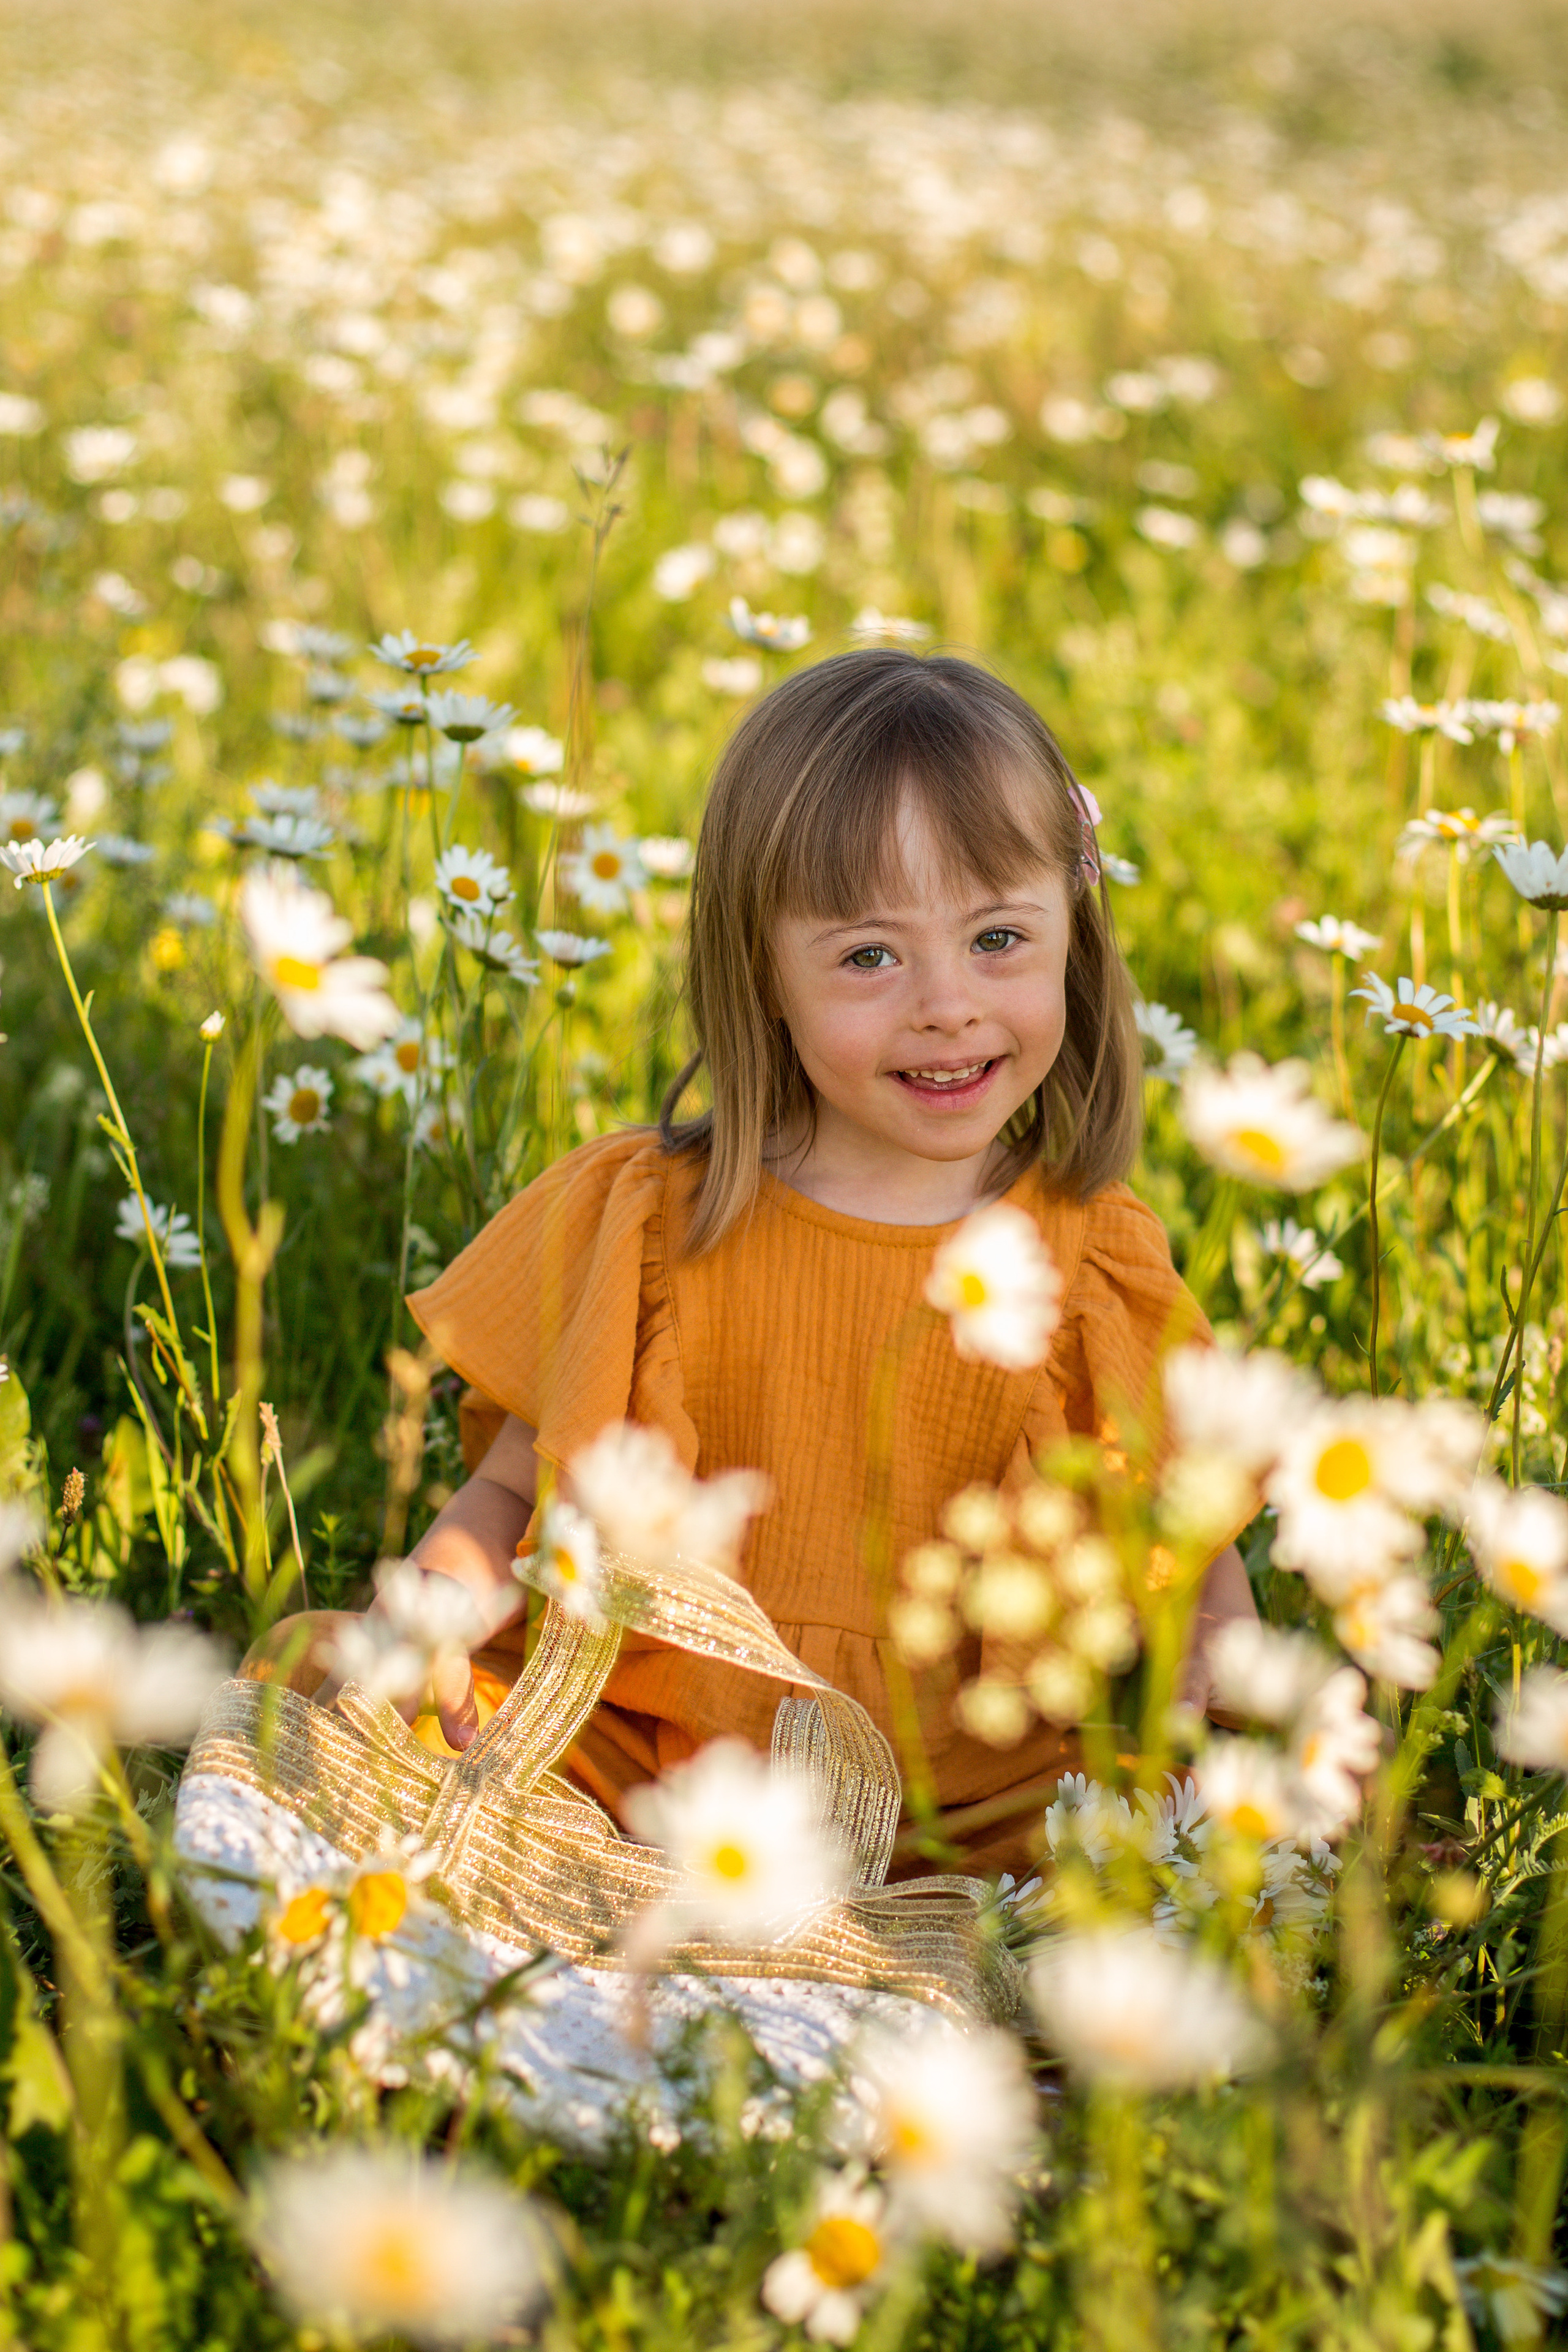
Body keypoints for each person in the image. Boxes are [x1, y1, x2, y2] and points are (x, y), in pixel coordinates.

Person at [246, 649, 1257, 1876]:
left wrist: (1222, 1677)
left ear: (1071, 943)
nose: (946, 1003)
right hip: (649, 1759)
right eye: (868, 957)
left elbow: (1193, 1535)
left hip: (964, 1800)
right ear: (760, 970)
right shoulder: (652, 1221)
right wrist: (435, 1617)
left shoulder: (1090, 1257)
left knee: (1192, 1848)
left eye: (998, 937)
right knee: (336, 1692)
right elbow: (514, 1494)